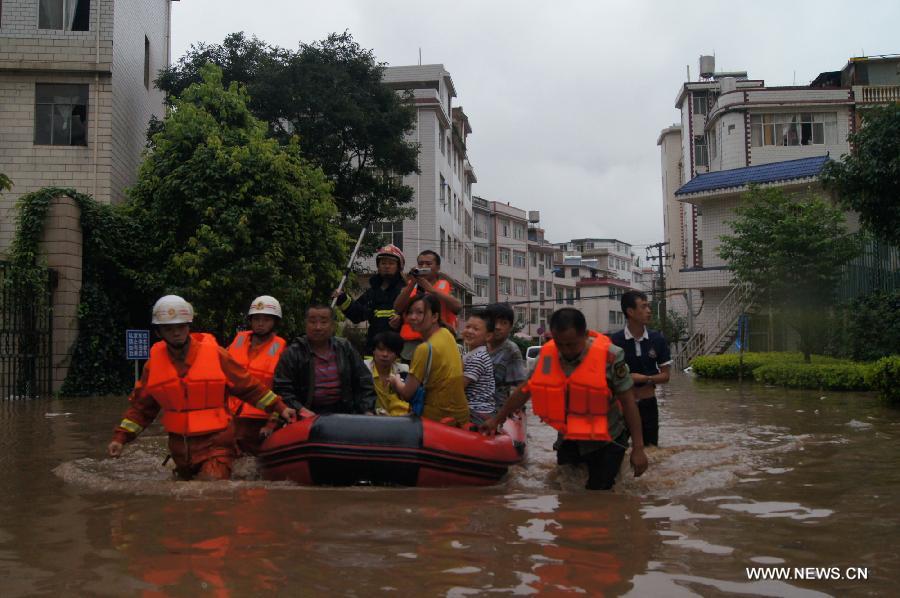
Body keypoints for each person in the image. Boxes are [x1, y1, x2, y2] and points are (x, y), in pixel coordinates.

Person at [106, 295, 297, 481]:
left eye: (181, 326)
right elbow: (142, 408)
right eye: (169, 328)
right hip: (180, 448)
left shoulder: (215, 355)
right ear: (158, 332)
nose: (176, 332)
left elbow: (249, 387)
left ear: (188, 326)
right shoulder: (153, 365)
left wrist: (280, 409)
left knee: (210, 490)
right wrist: (120, 438)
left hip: (217, 444)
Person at [480, 307, 648, 491]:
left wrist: (638, 449)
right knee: (567, 495)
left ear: (584, 335)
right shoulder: (547, 357)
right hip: (569, 439)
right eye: (560, 344)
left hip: (607, 440)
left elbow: (628, 402)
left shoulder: (611, 357)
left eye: (571, 344)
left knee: (600, 496)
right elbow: (524, 391)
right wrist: (497, 419)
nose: (566, 350)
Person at [273, 304, 376, 415]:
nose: (318, 327)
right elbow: (282, 387)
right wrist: (299, 409)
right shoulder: (293, 352)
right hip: (306, 414)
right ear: (305, 325)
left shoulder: (345, 348)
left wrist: (367, 409)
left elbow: (364, 381)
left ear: (332, 325)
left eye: (323, 322)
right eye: (312, 322)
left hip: (345, 413)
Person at [389, 294, 469, 426]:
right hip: (461, 416)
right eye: (410, 312)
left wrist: (395, 381)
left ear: (435, 317)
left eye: (420, 312)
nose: (413, 317)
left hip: (438, 421)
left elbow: (407, 393)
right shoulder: (447, 334)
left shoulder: (424, 349)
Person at [226, 295, 287, 455]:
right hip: (231, 417)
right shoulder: (237, 341)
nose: (260, 323)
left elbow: (282, 392)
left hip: (259, 421)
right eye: (257, 319)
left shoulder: (281, 350)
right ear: (250, 320)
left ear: (274, 322)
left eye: (266, 319)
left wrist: (271, 424)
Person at [609, 290, 671, 447]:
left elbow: (666, 376)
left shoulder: (657, 339)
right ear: (630, 311)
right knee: (618, 450)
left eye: (649, 306)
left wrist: (646, 378)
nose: (649, 311)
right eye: (643, 307)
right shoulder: (614, 341)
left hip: (648, 404)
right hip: (620, 406)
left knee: (651, 451)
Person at [333, 244, 406, 355]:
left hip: (398, 352)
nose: (386, 266)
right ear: (378, 266)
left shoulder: (405, 291)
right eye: (383, 263)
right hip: (373, 350)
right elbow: (358, 315)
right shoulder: (372, 292)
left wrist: (402, 319)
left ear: (399, 266)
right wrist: (342, 299)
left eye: (391, 263)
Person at [393, 250, 462, 360]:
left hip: (440, 341)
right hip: (412, 346)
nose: (424, 266)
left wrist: (431, 290)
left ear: (438, 267)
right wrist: (412, 283)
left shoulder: (446, 287)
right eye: (420, 264)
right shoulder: (410, 286)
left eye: (428, 264)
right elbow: (397, 308)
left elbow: (458, 307)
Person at [485, 303, 528, 413]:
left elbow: (521, 386)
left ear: (510, 327)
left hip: (497, 411)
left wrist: (517, 407)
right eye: (494, 321)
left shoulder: (511, 350)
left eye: (503, 323)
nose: (497, 327)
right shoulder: (479, 344)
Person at [461, 310, 496, 425]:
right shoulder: (473, 354)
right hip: (478, 410)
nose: (469, 331)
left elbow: (459, 386)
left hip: (477, 412)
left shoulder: (478, 358)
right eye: (468, 326)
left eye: (475, 329)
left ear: (488, 336)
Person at [365, 330, 410, 416]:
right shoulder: (363, 368)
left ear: (397, 354)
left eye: (390, 351)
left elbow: (404, 402)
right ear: (373, 351)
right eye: (381, 349)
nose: (385, 354)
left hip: (395, 422)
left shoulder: (403, 370)